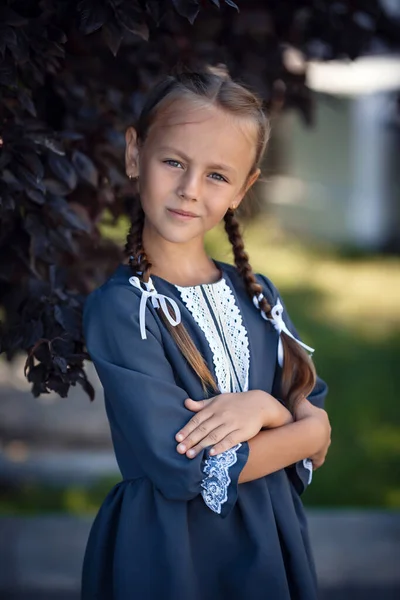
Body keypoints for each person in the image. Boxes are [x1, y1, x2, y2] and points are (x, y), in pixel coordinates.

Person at [81, 70, 331, 600]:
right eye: (173, 161)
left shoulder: (258, 293)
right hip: (171, 555)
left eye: (218, 175)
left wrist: (272, 410)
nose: (190, 189)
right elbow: (186, 466)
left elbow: (309, 395)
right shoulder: (125, 308)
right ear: (134, 154)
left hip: (270, 541)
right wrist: (298, 430)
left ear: (244, 189)